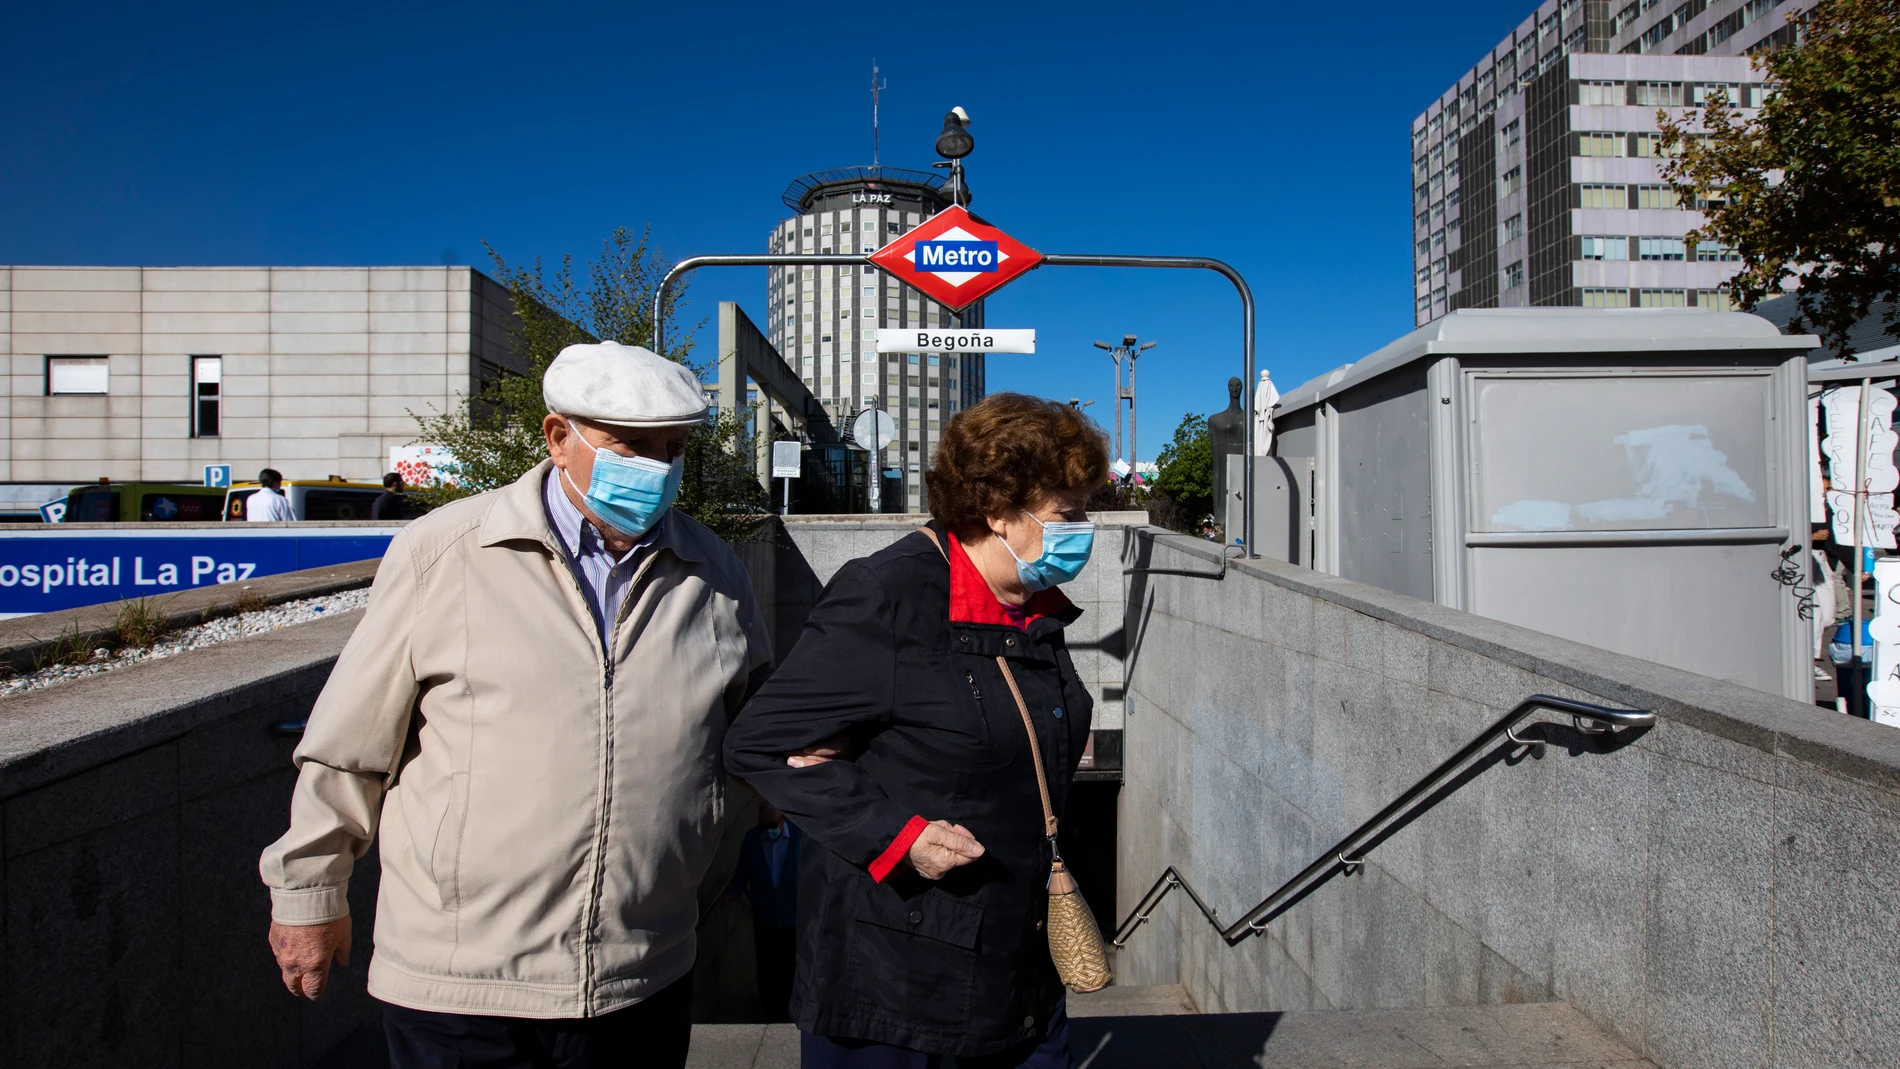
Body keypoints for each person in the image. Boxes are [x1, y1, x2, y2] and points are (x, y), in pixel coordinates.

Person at [259, 340, 772, 1069]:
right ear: (558, 437)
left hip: (642, 977)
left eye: (674, 447)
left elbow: (755, 727)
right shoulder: (446, 552)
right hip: (462, 986)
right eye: (632, 446)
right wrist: (309, 890)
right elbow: (348, 741)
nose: (657, 470)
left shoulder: (713, 571)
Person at [724, 393, 1108, 1069]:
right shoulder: (887, 594)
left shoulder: (1030, 600)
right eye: (1067, 512)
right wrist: (898, 836)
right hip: (896, 989)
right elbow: (757, 739)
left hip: (1015, 967)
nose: (1085, 527)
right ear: (998, 511)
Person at [725, 802, 802, 1022]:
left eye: (773, 824)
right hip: (765, 919)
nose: (769, 829)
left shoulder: (798, 837)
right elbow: (743, 870)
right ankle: (772, 1013)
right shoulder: (752, 840)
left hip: (792, 918)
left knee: (790, 968)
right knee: (768, 970)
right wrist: (734, 891)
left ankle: (791, 1012)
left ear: (783, 819)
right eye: (764, 824)